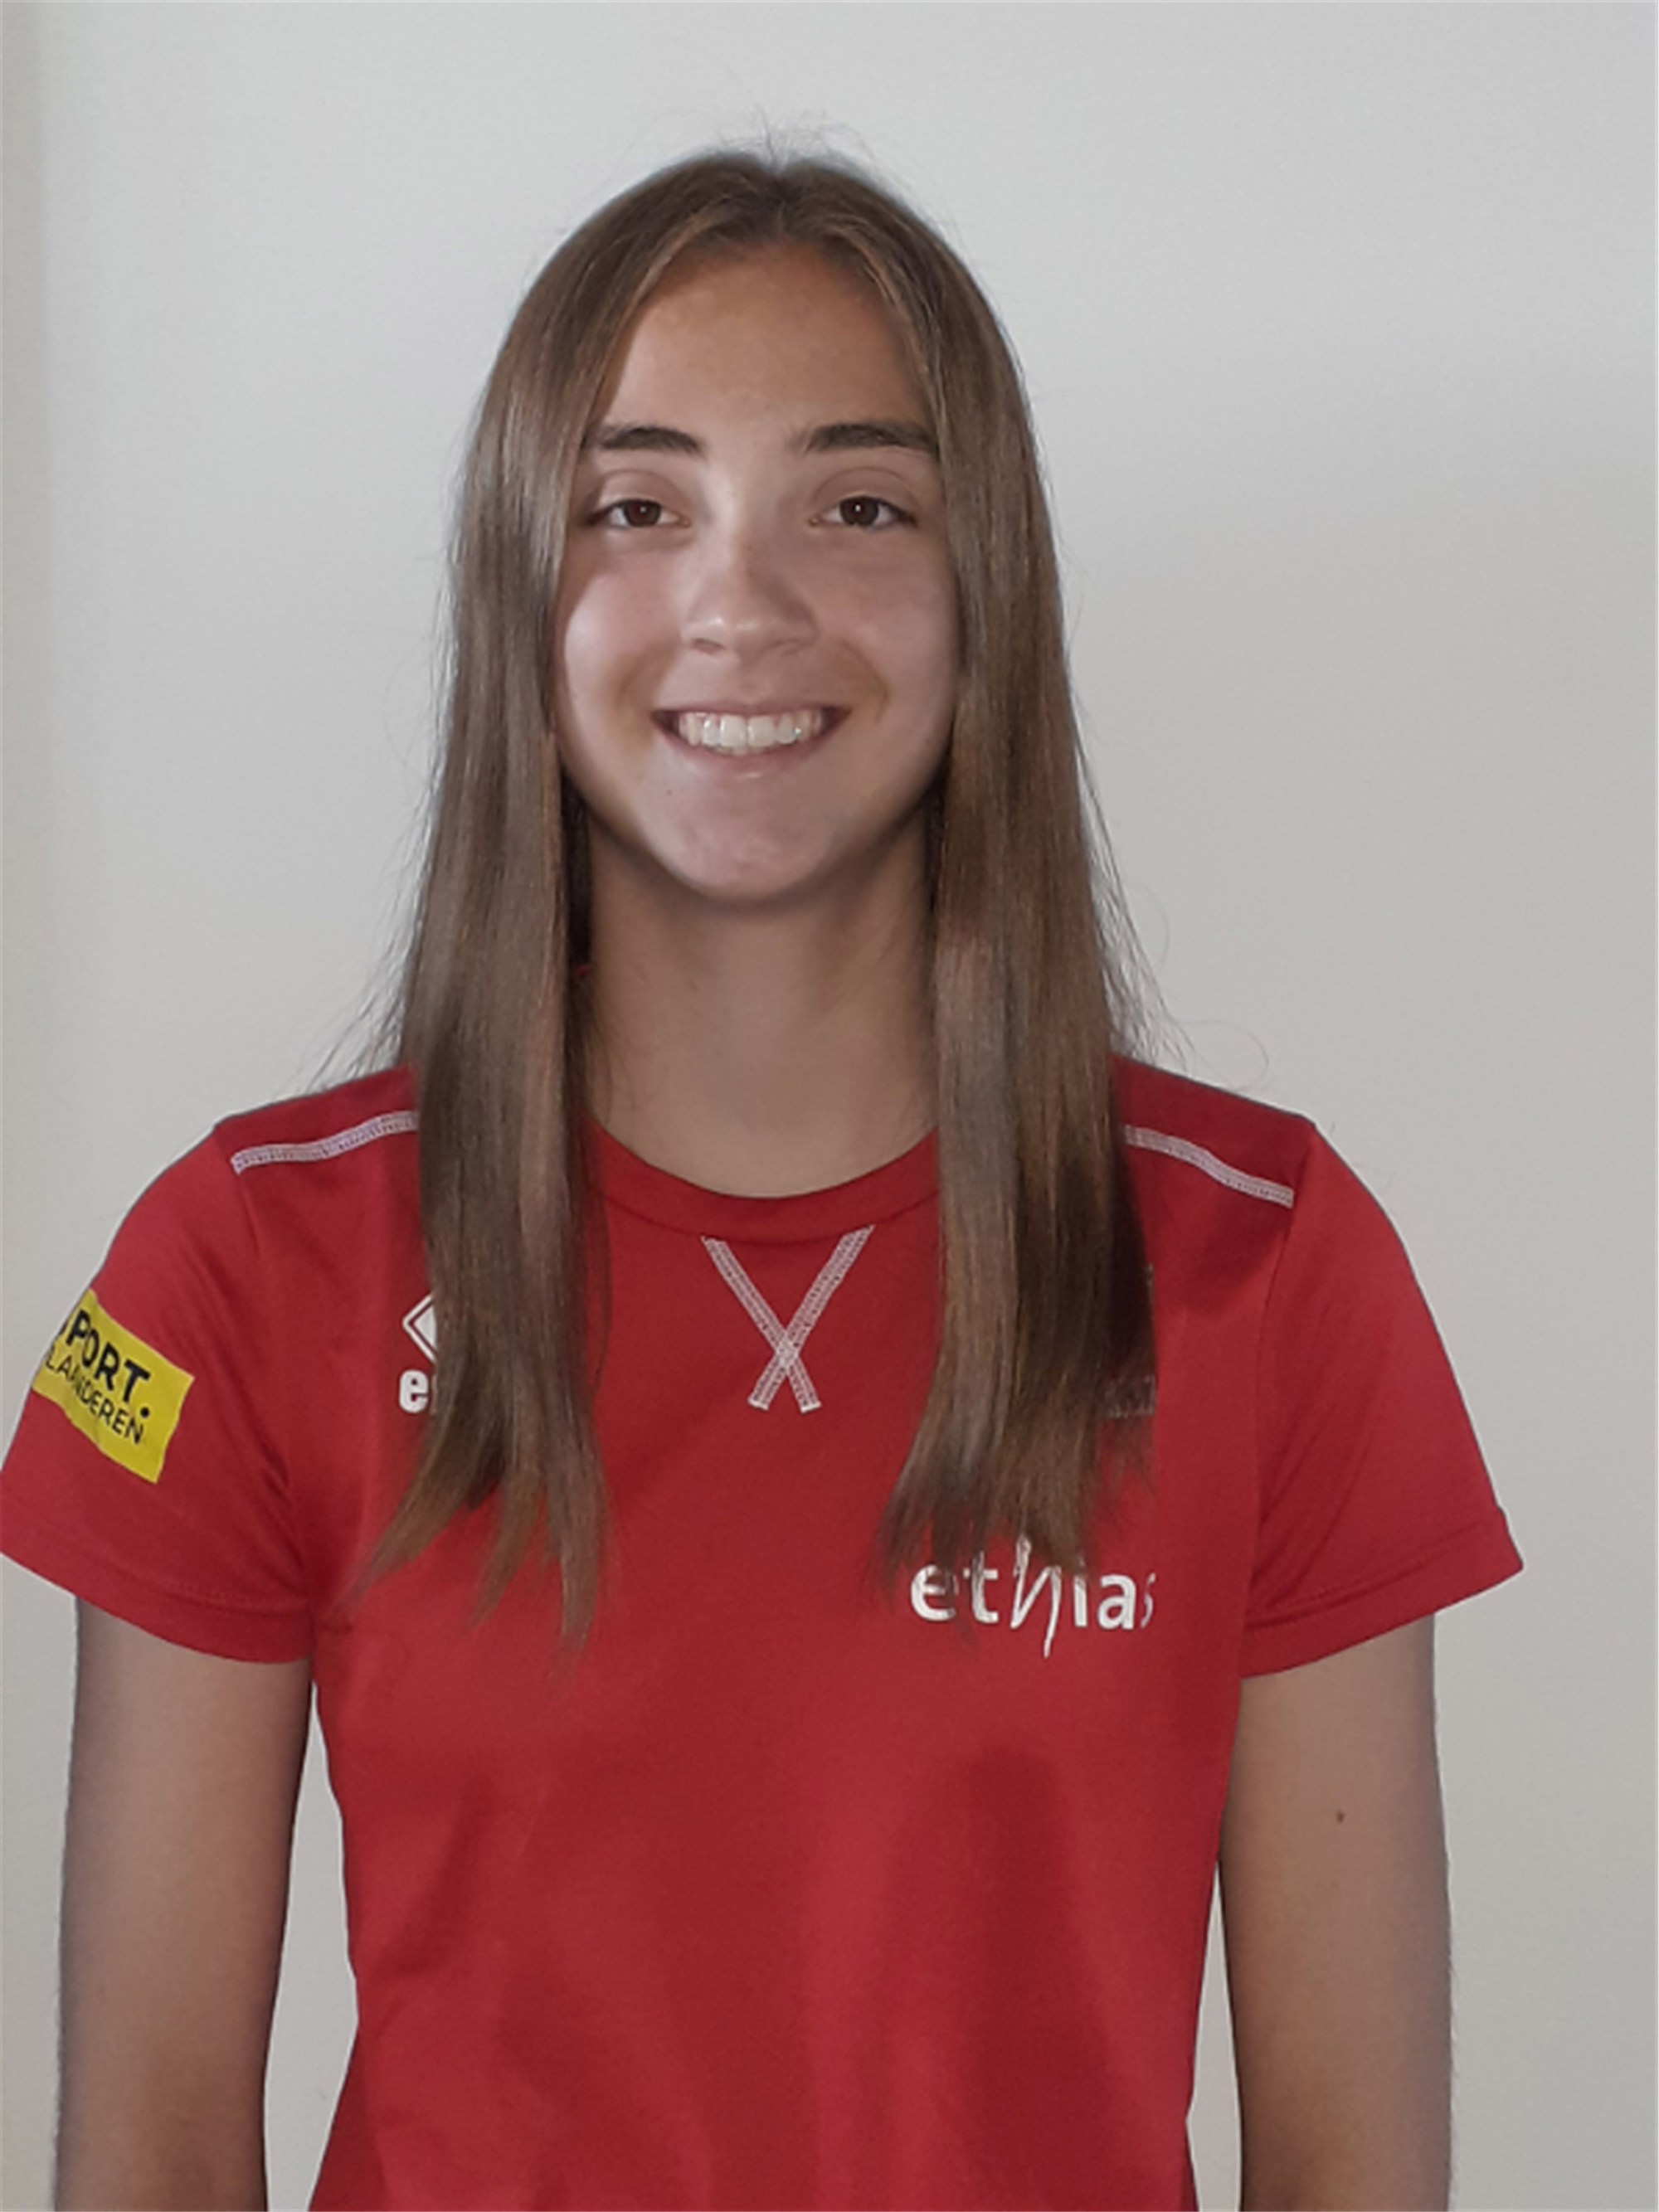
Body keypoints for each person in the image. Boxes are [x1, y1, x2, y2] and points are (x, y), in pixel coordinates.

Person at [1, 148, 1521, 2212]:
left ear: (986, 592)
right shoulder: (239, 1264)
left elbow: (1352, 2167)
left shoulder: (1264, 1264)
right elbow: (154, 2158)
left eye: (858, 504)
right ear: (517, 588)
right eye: (636, 507)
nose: (742, 602)